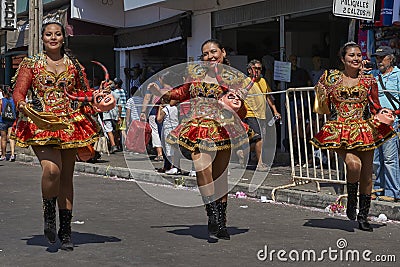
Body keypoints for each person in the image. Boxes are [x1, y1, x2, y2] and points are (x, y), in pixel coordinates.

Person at [11, 21, 114, 250]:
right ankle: (49, 214)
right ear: (42, 38)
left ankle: (66, 231)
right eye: (49, 34)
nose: (53, 38)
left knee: (66, 178)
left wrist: (100, 98)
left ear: (63, 38)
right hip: (42, 123)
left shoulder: (74, 65)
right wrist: (23, 107)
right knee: (52, 170)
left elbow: (82, 92)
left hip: (69, 124)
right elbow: (19, 92)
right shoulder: (31, 64)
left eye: (57, 34)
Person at [148, 39, 253, 240]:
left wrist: (235, 105)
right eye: (205, 54)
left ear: (222, 53)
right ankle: (212, 215)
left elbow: (241, 106)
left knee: (221, 177)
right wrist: (159, 92)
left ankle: (221, 223)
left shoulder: (232, 80)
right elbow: (181, 93)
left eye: (214, 52)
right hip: (197, 129)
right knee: (203, 169)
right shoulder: (194, 76)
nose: (210, 56)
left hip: (223, 129)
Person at [310, 41, 395, 232]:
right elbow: (321, 103)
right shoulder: (330, 77)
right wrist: (323, 94)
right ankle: (351, 201)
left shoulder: (369, 81)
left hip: (364, 129)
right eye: (351, 55)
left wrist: (383, 116)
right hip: (339, 130)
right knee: (353, 165)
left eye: (358, 55)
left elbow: (374, 105)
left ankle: (363, 216)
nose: (356, 58)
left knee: (366, 176)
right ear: (343, 59)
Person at [370, 46, 400, 202]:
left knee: (389, 159)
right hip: (375, 122)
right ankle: (379, 188)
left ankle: (393, 191)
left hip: (392, 122)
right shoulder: (373, 75)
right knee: (376, 159)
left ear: (391, 58)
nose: (379, 61)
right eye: (377, 58)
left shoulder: (398, 75)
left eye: (382, 57)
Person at [242, 59, 281, 171]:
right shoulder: (246, 81)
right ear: (249, 70)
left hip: (262, 114)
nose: (258, 71)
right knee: (259, 138)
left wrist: (275, 111)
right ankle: (260, 164)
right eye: (255, 69)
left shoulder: (263, 81)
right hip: (250, 113)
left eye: (260, 69)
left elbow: (269, 97)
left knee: (261, 139)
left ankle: (243, 151)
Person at [0, 86, 16, 161]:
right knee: (11, 137)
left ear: (3, 92)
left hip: (3, 120)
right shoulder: (14, 101)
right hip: (12, 120)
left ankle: (3, 155)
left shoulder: (1, 101)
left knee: (3, 138)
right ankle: (12, 154)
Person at [113, 78, 127, 151]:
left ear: (116, 84)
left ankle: (126, 144)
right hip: (124, 112)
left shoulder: (115, 92)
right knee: (121, 129)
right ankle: (119, 145)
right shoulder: (124, 91)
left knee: (120, 130)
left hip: (118, 113)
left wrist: (118, 115)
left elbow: (119, 105)